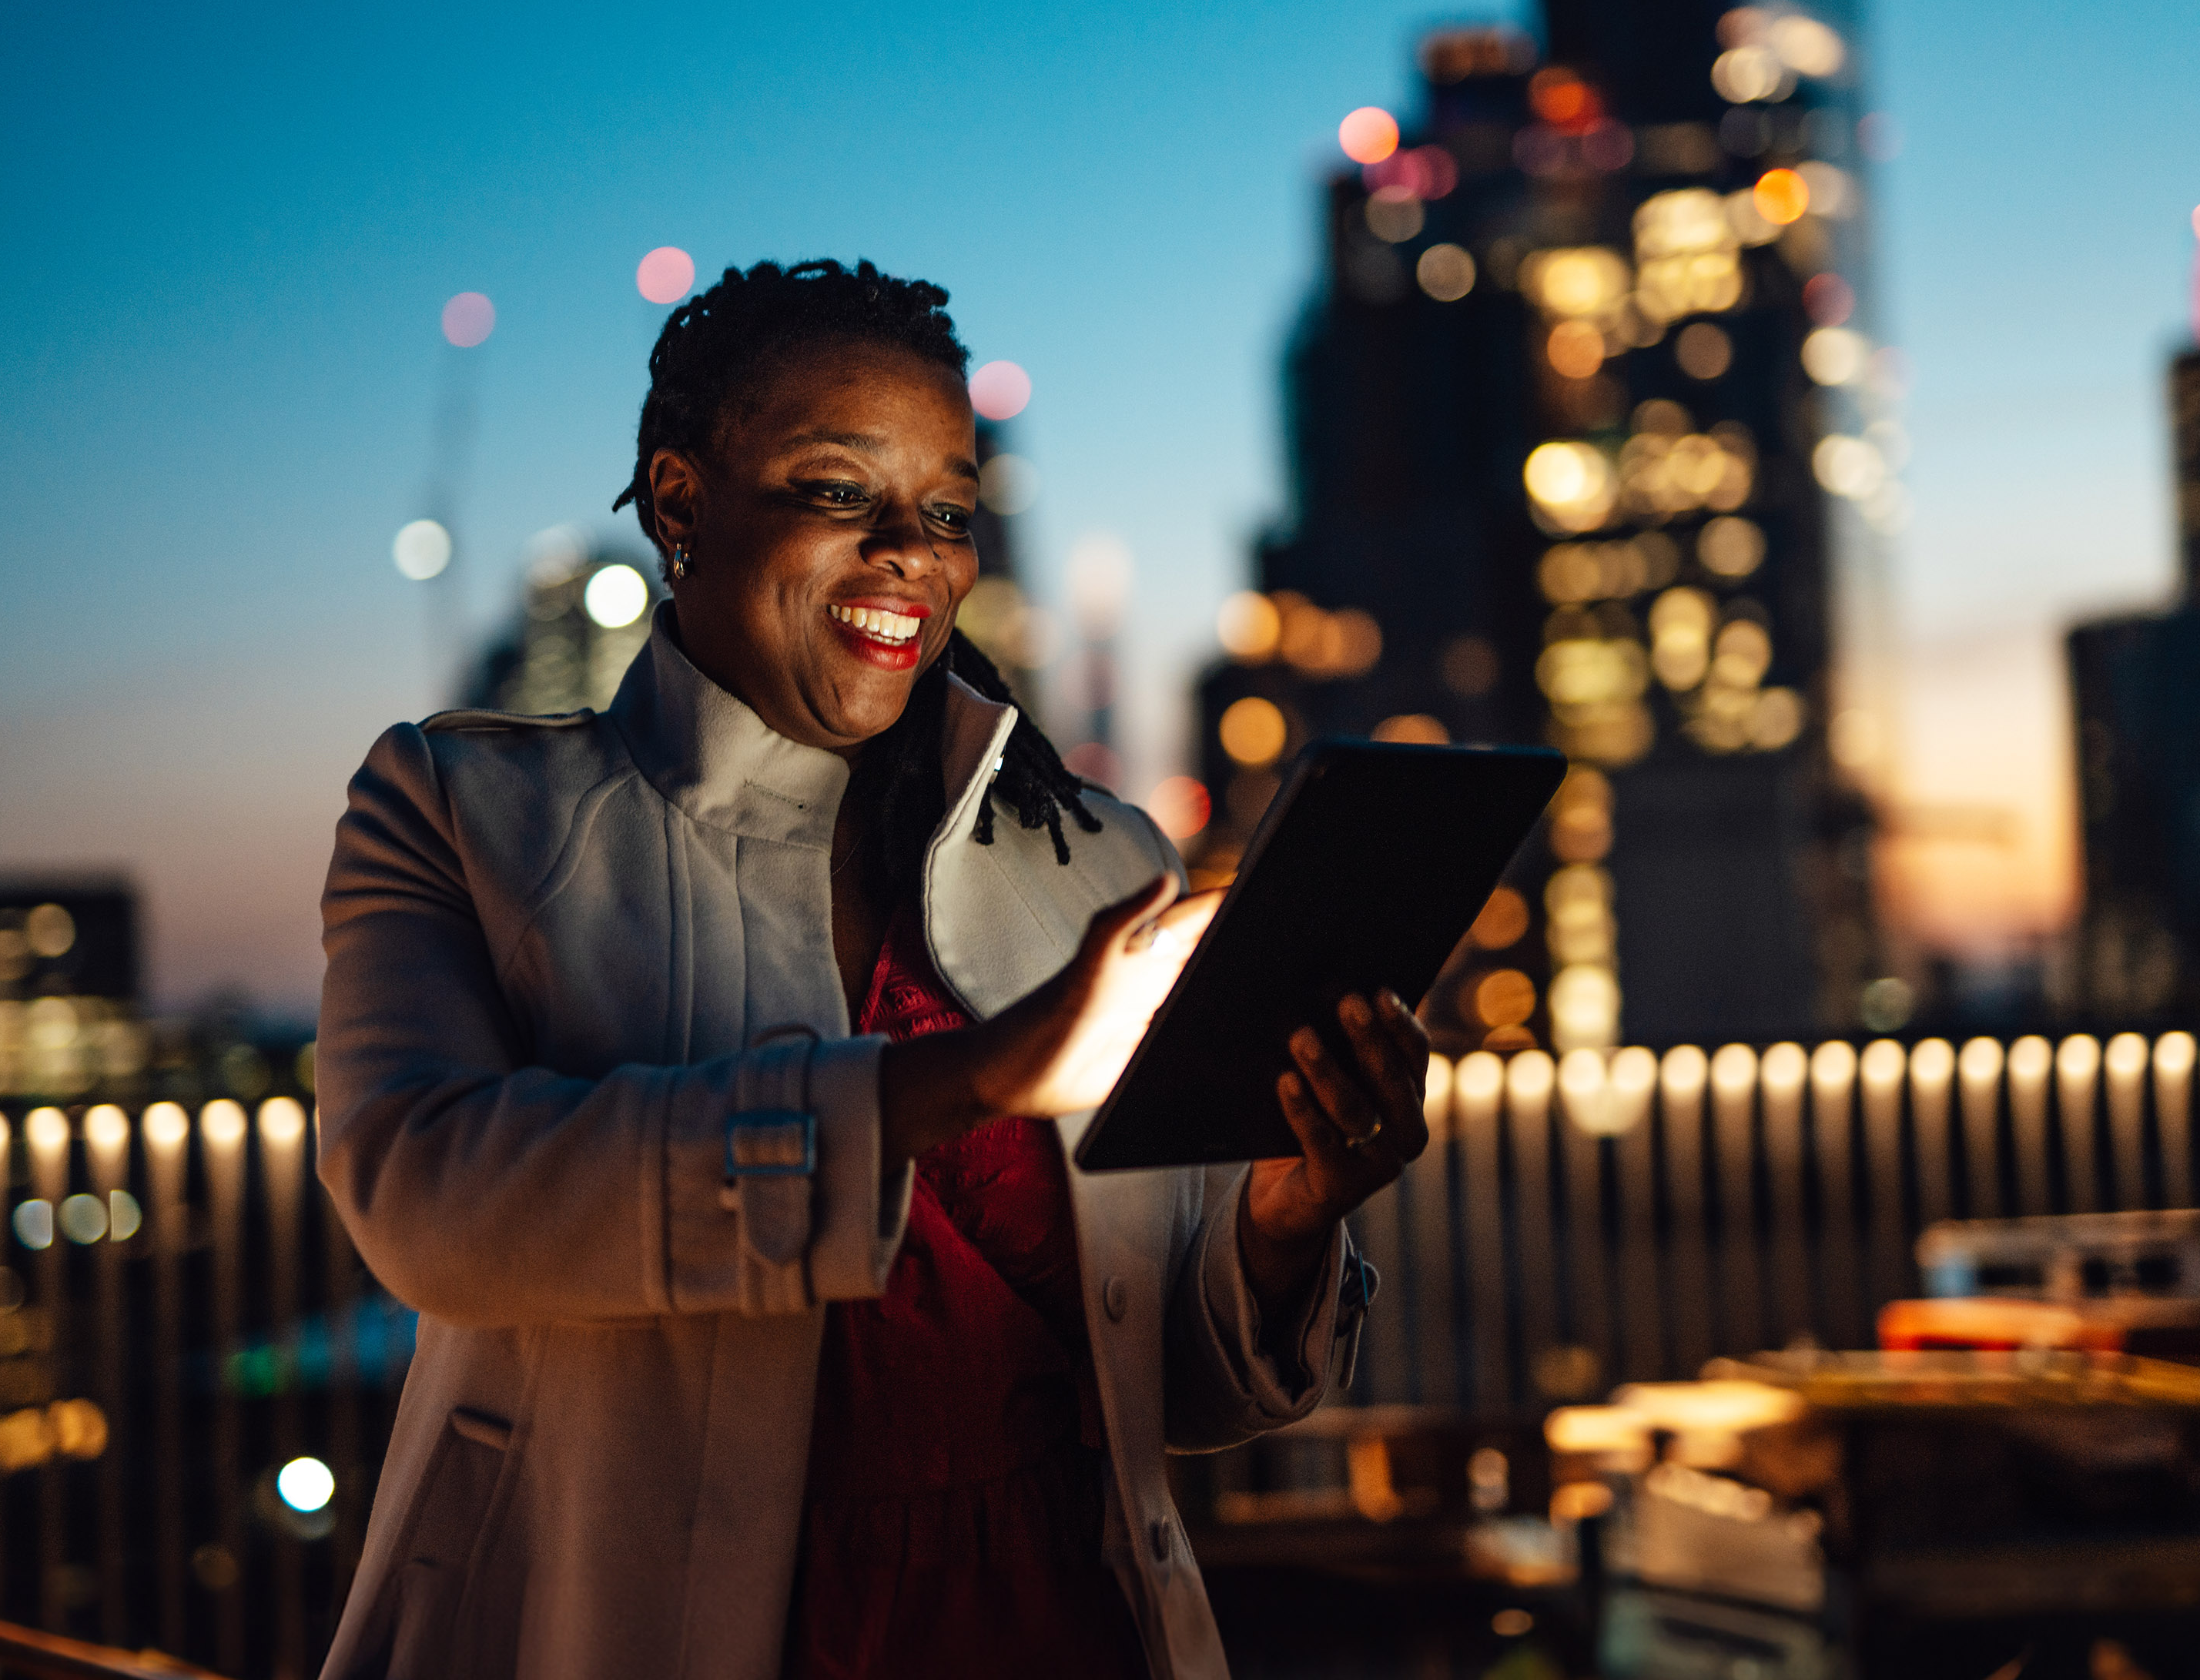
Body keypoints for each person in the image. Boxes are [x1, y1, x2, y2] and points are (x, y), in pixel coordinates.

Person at [313, 259, 1432, 1680]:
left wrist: (1289, 1211)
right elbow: (431, 1205)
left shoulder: (1103, 864)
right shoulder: (463, 813)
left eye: (950, 511)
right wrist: (976, 1076)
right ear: (679, 504)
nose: (914, 550)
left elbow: (1177, 1387)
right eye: (839, 492)